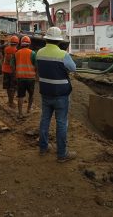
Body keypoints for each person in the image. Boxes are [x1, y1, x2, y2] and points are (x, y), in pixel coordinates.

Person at [36, 27, 76, 163]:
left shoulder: (39, 53)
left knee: (45, 120)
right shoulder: (63, 55)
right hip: (61, 95)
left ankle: (43, 148)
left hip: (46, 93)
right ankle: (61, 154)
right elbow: (73, 68)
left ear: (46, 39)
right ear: (59, 41)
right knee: (61, 123)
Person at [13, 35, 36, 118]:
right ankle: (29, 109)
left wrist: (16, 73)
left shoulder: (17, 53)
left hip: (20, 78)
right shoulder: (32, 53)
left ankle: (20, 113)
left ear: (21, 44)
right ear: (29, 44)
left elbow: (13, 65)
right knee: (31, 94)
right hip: (31, 78)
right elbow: (36, 65)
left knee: (21, 95)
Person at [2, 35, 19, 108]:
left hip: (5, 70)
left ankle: (9, 101)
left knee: (8, 86)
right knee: (13, 87)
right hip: (12, 71)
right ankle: (11, 103)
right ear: (17, 43)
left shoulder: (6, 49)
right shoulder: (16, 51)